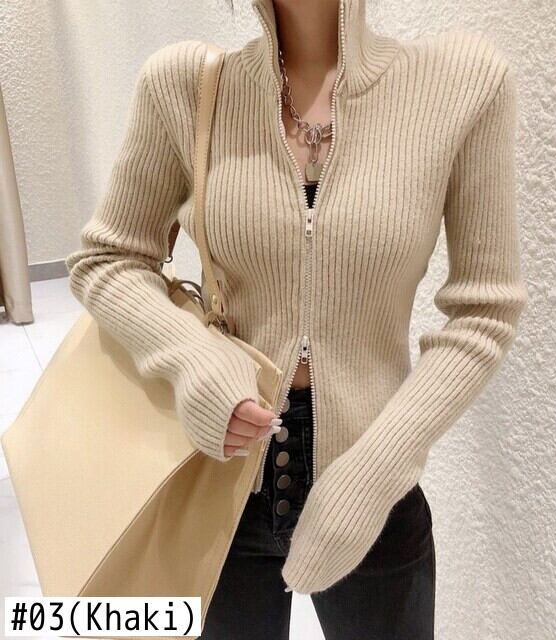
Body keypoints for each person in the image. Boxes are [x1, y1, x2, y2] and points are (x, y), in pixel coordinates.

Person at [65, 0, 528, 637]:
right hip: (220, 479)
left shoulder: (463, 82)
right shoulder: (183, 85)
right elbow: (109, 259)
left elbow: (484, 309)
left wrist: (374, 473)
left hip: (376, 477)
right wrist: (195, 361)